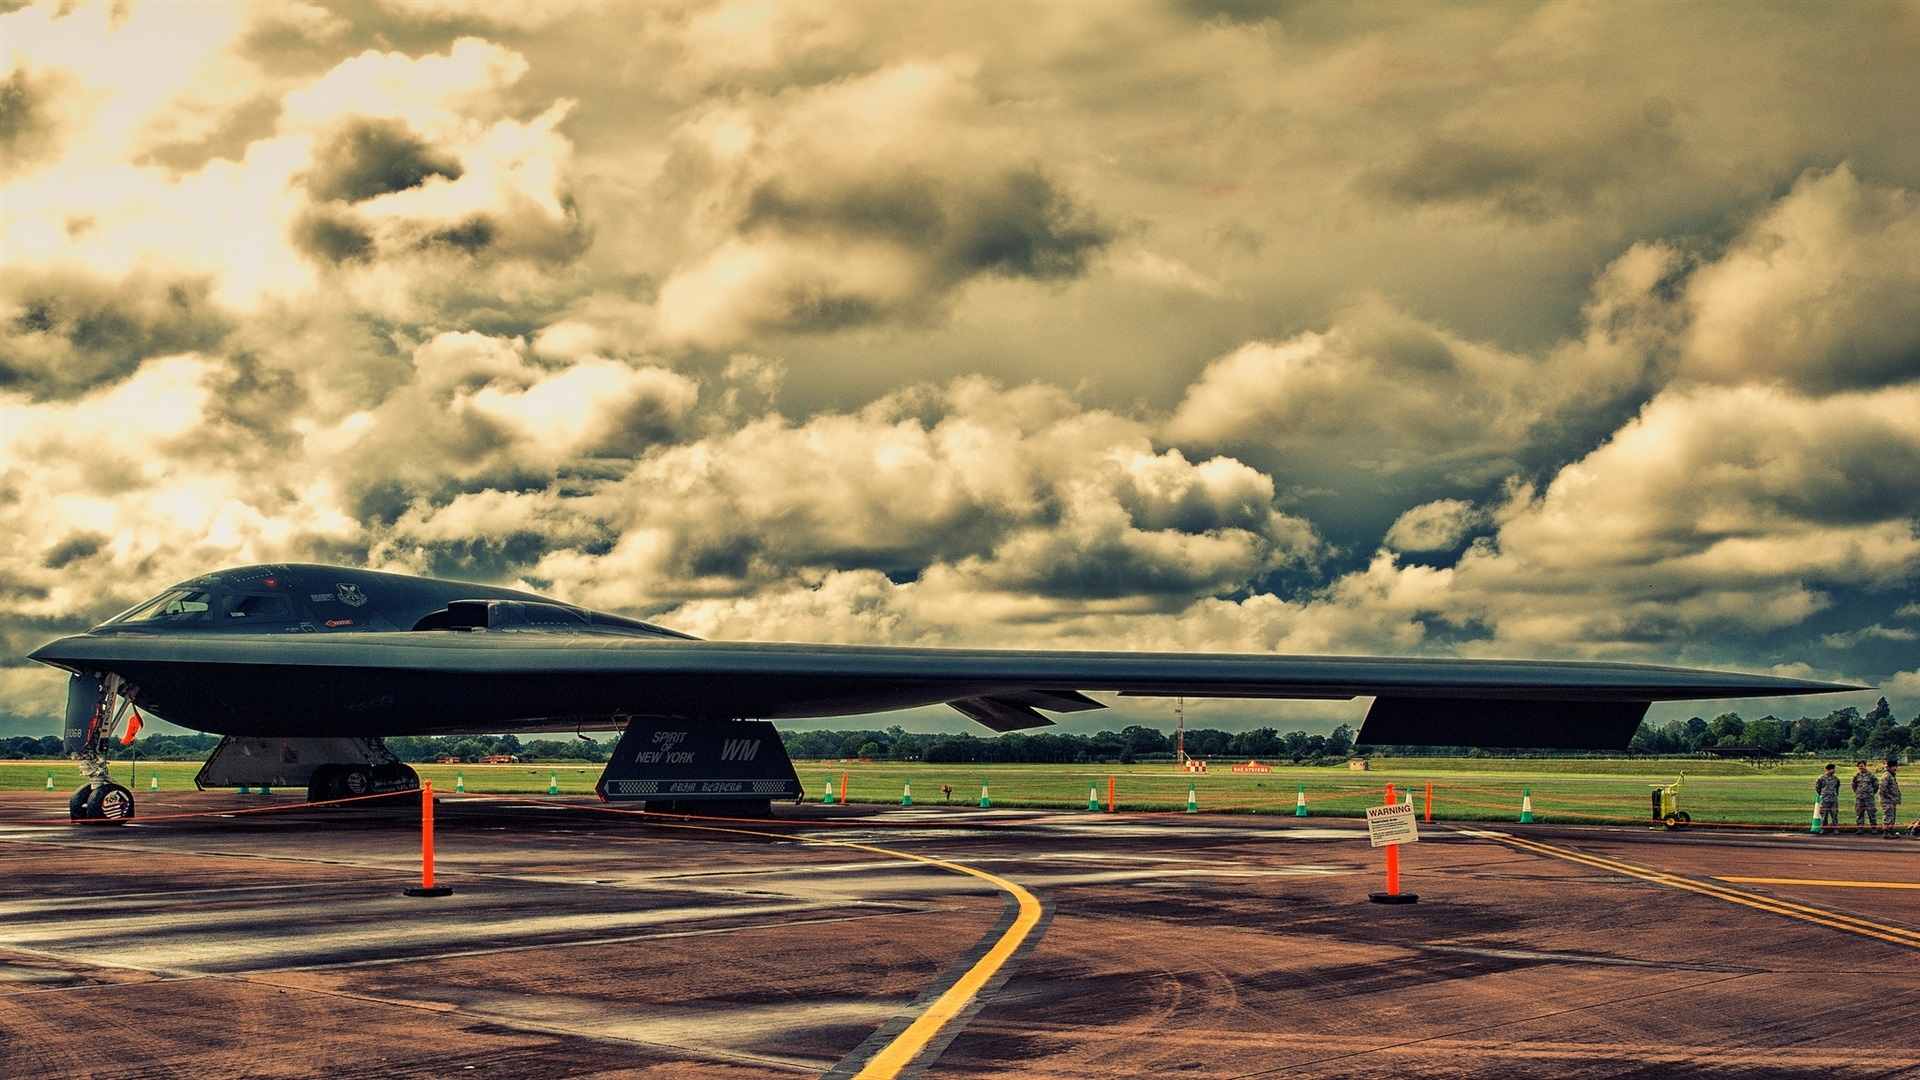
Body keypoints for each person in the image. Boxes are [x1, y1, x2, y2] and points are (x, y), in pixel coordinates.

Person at [1851, 760, 1879, 830]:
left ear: (1865, 766)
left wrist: (1871, 793)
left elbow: (1876, 785)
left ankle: (1873, 828)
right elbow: (1854, 785)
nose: (1860, 768)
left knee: (1871, 813)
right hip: (1859, 798)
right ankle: (1860, 828)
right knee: (1859, 813)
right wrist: (1858, 792)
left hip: (1869, 798)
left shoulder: (1871, 775)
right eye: (1859, 766)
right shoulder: (1856, 776)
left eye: (1862, 766)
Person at [1879, 759, 1901, 838]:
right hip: (1887, 801)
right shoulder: (1887, 775)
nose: (1896, 768)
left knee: (1891, 816)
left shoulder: (1891, 775)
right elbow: (1883, 789)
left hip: (1892, 800)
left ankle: (1890, 831)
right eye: (1895, 766)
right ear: (1891, 767)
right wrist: (1890, 797)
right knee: (1888, 816)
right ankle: (1886, 832)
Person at [1814, 764, 1841, 829]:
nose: (1834, 771)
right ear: (1828, 770)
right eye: (1832, 769)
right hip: (1824, 799)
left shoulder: (1836, 779)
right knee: (1824, 814)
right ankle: (1823, 828)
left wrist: (1835, 794)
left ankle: (1835, 828)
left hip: (1833, 799)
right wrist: (1823, 794)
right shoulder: (1821, 778)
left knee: (1834, 815)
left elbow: (1837, 788)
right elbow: (1818, 788)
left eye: (1834, 769)